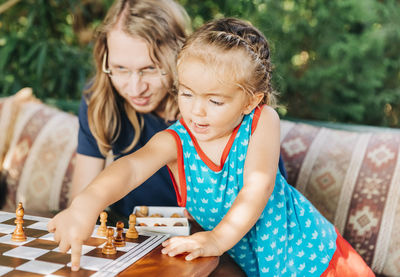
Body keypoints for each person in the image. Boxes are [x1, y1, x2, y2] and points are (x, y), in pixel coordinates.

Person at [48, 17, 372, 276]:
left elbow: (256, 189)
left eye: (215, 100)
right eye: (186, 94)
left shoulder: (262, 121)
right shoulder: (175, 141)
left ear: (250, 101)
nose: (196, 111)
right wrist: (84, 206)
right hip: (254, 266)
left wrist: (216, 239)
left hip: (314, 262)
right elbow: (129, 168)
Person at [71, 0, 288, 224]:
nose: (135, 88)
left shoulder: (225, 114)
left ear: (178, 54)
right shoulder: (99, 99)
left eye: (150, 69)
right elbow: (87, 195)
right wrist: (82, 209)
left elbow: (265, 201)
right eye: (120, 69)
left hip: (215, 239)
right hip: (133, 232)